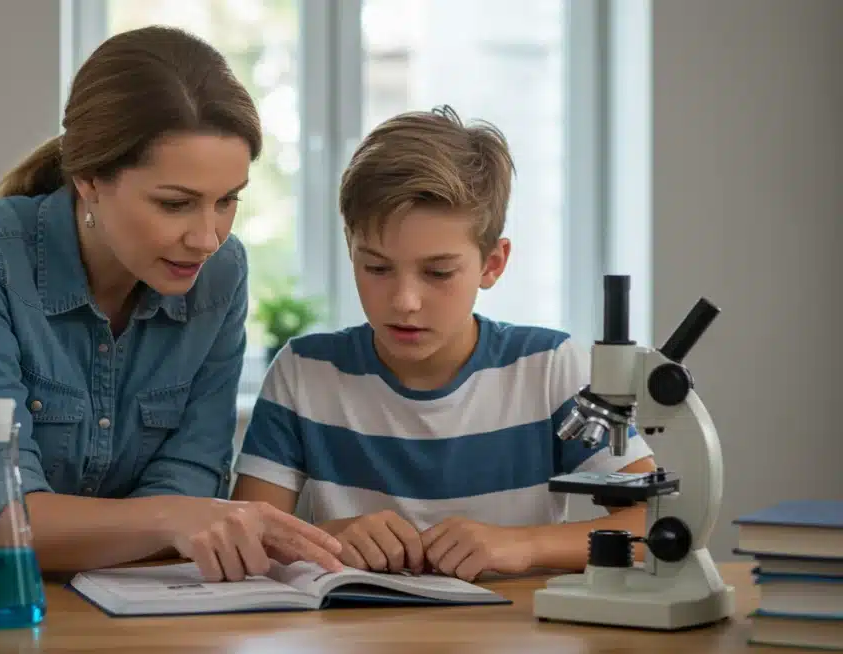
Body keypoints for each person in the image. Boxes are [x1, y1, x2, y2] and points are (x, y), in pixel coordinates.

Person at [0, 25, 343, 585]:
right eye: (175, 204)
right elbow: (2, 512)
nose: (208, 237)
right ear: (90, 179)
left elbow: (186, 485)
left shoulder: (221, 274)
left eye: (227, 201)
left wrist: (29, 537)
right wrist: (152, 523)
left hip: (104, 597)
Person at [230, 106, 657, 582]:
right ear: (350, 248)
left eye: (437, 273)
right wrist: (332, 538)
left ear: (492, 264)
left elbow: (652, 525)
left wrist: (524, 544)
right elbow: (248, 539)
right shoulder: (303, 373)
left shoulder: (549, 368)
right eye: (376, 268)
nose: (405, 301)